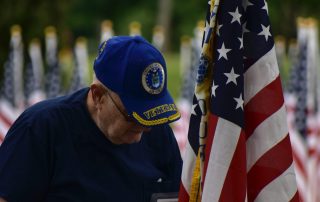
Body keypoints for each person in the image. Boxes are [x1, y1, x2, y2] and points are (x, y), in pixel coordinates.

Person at [0, 36, 182, 202]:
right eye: (131, 118)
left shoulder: (159, 133)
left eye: (150, 119)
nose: (140, 134)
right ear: (97, 96)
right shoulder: (40, 129)